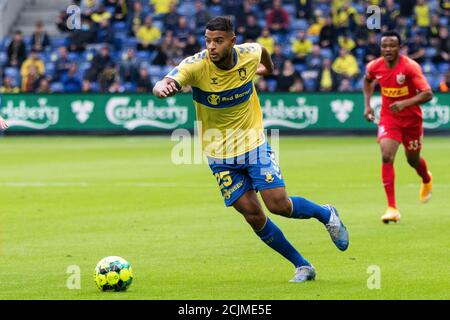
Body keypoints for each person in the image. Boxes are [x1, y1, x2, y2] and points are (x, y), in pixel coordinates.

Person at [153, 16, 348, 283]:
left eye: (218, 41)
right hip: (219, 156)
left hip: (253, 144)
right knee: (253, 215)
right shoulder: (196, 65)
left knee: (278, 205)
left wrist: (267, 69)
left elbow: (263, 53)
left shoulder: (250, 53)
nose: (212, 46)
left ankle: (326, 214)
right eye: (208, 40)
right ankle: (302, 266)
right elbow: (167, 79)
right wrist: (163, 87)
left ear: (232, 42)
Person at [363, 31, 433, 224]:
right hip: (389, 118)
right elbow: (367, 80)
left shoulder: (410, 67)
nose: (388, 49)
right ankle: (392, 208)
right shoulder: (374, 66)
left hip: (411, 121)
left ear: (400, 48)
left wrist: (405, 103)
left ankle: (426, 178)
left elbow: (428, 94)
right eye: (384, 46)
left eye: (392, 45)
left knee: (413, 160)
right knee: (386, 155)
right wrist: (367, 105)